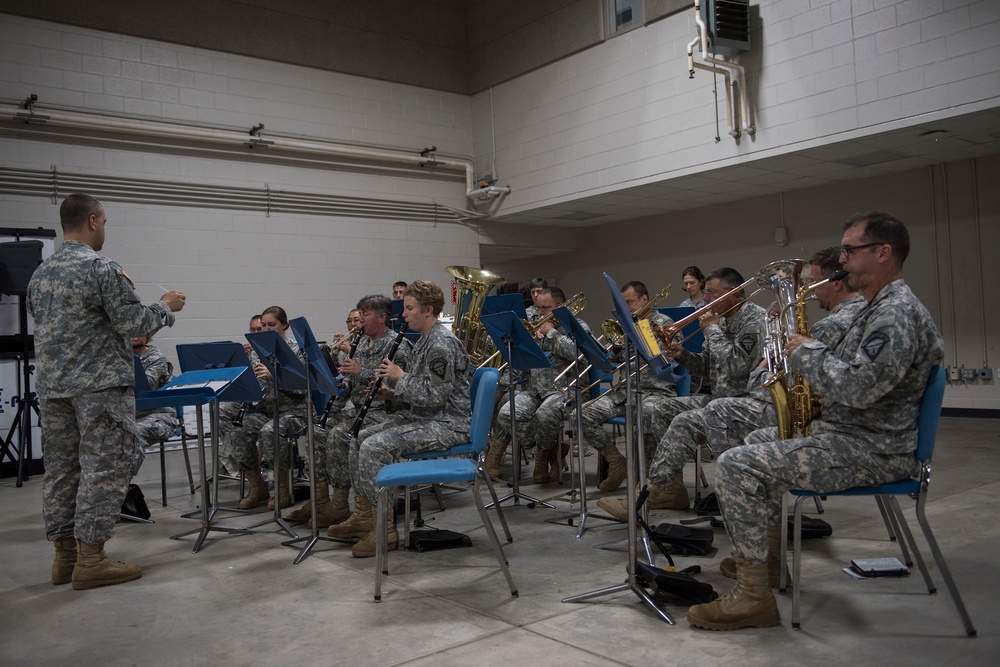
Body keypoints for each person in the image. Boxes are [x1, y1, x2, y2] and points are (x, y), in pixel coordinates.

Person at [687, 212, 944, 631]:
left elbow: (860, 388)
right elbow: (864, 379)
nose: (841, 260)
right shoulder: (875, 309)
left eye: (849, 250)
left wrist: (806, 352)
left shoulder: (895, 313)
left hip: (872, 450)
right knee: (753, 442)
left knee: (735, 464)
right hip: (850, 434)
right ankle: (766, 562)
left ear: (883, 253)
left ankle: (753, 597)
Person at [27, 192, 185, 590]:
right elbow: (133, 321)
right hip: (98, 387)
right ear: (94, 220)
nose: (105, 229)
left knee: (62, 471)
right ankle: (92, 559)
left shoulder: (40, 274)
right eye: (106, 221)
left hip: (54, 387)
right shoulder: (99, 266)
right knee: (104, 467)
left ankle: (64, 558)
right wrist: (166, 306)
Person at [597, 268, 766, 518]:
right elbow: (709, 366)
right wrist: (683, 355)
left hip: (745, 403)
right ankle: (671, 490)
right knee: (663, 409)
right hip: (718, 398)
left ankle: (647, 495)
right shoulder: (721, 318)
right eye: (706, 292)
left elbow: (737, 366)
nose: (705, 299)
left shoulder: (754, 319)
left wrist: (712, 330)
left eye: (711, 293)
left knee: (682, 421)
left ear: (732, 293)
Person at [327, 280, 470, 557]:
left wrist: (400, 378)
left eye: (409, 308)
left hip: (447, 424)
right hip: (427, 418)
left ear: (427, 310)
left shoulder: (440, 344)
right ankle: (365, 515)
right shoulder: (426, 340)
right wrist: (389, 395)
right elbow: (420, 392)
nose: (403, 314)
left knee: (374, 446)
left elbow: (435, 397)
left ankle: (385, 528)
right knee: (359, 437)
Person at [699, 247, 866, 460]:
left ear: (835, 283)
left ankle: (735, 470)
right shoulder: (862, 312)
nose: (809, 290)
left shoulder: (830, 326)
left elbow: (796, 392)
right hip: (833, 416)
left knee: (719, 410)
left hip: (819, 421)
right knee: (749, 434)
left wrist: (761, 371)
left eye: (813, 282)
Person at [286, 295, 410, 527]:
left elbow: (396, 388)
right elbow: (356, 382)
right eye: (359, 314)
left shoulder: (397, 344)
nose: (359, 320)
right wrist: (345, 384)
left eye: (365, 314)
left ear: (382, 318)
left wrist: (361, 371)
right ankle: (326, 499)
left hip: (383, 410)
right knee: (317, 432)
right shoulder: (362, 342)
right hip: (358, 408)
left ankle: (358, 508)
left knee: (341, 436)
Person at [573, 281, 678, 493]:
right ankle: (616, 461)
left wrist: (640, 334)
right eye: (624, 303)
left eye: (629, 302)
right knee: (580, 414)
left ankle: (649, 477)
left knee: (648, 414)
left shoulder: (664, 323)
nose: (627, 307)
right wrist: (616, 345)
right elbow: (614, 359)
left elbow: (670, 359)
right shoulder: (626, 323)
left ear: (644, 300)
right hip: (625, 392)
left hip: (655, 392)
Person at [489, 287, 588, 484]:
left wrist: (552, 334)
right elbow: (524, 362)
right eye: (538, 307)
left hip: (565, 390)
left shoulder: (578, 326)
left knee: (544, 415)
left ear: (560, 306)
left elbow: (581, 354)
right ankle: (550, 450)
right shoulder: (536, 327)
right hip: (536, 391)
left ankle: (541, 460)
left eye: (546, 308)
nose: (540, 313)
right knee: (507, 413)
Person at [221, 305, 308, 510]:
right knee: (239, 430)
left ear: (284, 325)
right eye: (264, 325)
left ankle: (282, 488)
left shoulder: (297, 350)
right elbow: (255, 390)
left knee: (271, 431)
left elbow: (301, 390)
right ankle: (257, 486)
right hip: (266, 410)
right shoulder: (257, 353)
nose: (267, 329)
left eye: (272, 325)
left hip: (295, 411)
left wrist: (275, 375)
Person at [128, 336, 178, 478]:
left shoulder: (156, 358)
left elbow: (146, 387)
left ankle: (120, 485)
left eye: (140, 331)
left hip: (158, 414)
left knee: (132, 435)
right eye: (131, 331)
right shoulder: (118, 354)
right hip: (128, 415)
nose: (135, 336)